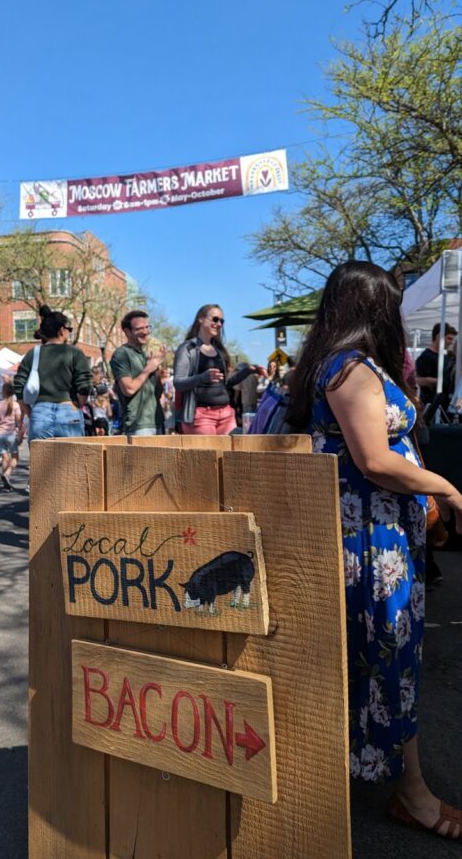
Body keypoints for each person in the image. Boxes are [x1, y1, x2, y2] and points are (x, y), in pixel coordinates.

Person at [287, 260, 462, 839]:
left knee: (388, 658)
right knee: (386, 656)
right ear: (371, 307)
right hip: (367, 539)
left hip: (380, 534)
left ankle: (397, 784)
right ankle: (406, 792)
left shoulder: (340, 365)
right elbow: (374, 460)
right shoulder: (350, 368)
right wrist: (449, 488)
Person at [173, 305, 265, 436]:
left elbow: (226, 382)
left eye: (222, 321)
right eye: (215, 319)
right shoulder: (188, 348)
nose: (219, 324)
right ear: (200, 319)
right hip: (200, 416)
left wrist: (249, 371)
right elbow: (178, 383)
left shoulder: (219, 351)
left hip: (226, 414)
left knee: (232, 455)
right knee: (208, 456)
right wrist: (202, 378)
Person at [13, 305, 92, 440]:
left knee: (41, 460)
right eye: (69, 329)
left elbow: (18, 385)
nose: (69, 332)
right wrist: (78, 405)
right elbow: (85, 386)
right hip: (69, 409)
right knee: (72, 460)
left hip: (40, 412)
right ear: (61, 330)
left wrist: (29, 412)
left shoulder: (33, 354)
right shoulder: (75, 353)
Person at [110, 310, 166, 437]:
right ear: (127, 331)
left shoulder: (147, 356)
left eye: (147, 327)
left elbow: (157, 393)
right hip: (139, 425)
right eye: (139, 329)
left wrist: (157, 372)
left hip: (157, 421)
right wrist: (148, 369)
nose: (145, 332)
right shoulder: (122, 354)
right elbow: (128, 389)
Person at [415, 323, 457, 416]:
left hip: (446, 404)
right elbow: (420, 380)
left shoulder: (448, 356)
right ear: (438, 336)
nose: (451, 342)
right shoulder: (426, 357)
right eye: (449, 338)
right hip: (433, 407)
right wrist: (444, 381)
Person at [0, 382, 21, 489]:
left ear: (3, 392)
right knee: (15, 457)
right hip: (11, 434)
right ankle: (7, 473)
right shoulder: (16, 405)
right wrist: (20, 431)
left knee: (5, 457)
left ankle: (5, 482)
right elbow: (18, 420)